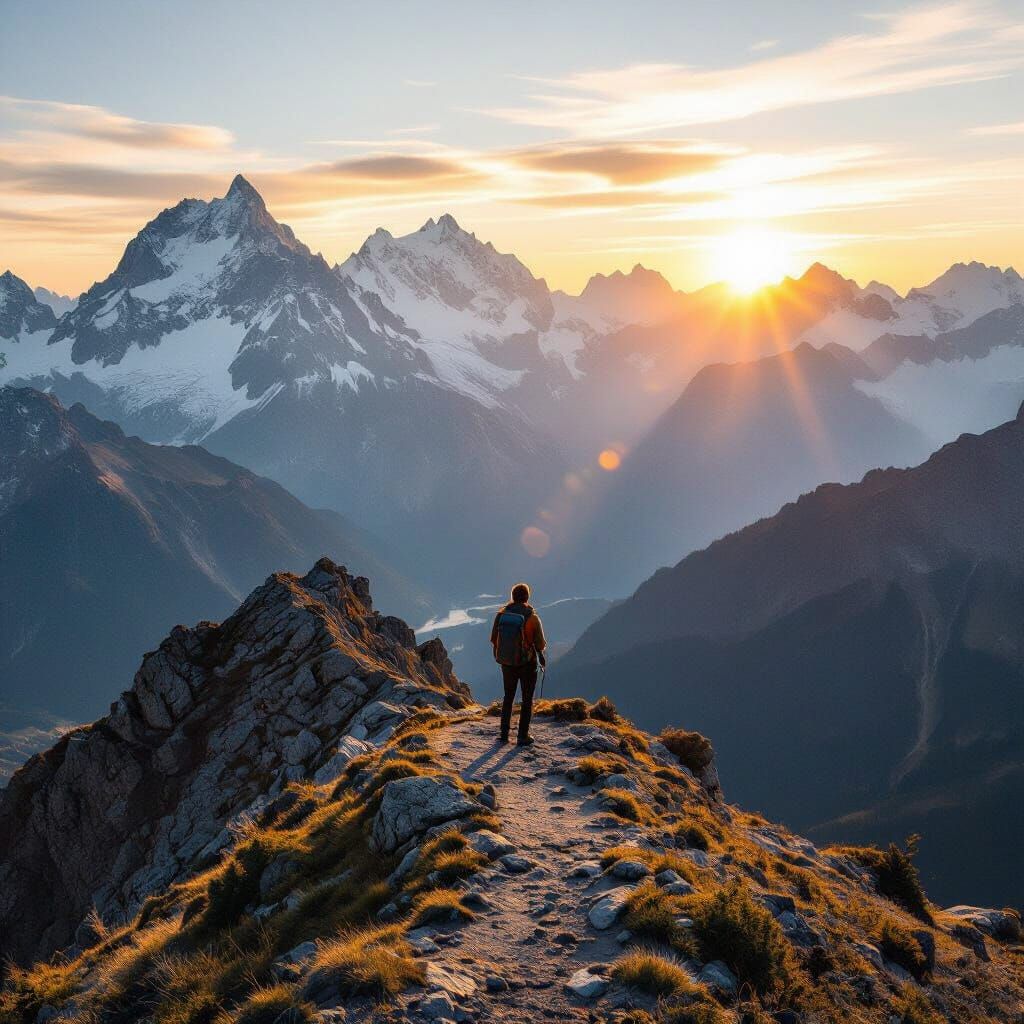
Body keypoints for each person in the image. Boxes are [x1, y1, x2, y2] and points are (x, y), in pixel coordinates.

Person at [491, 582, 547, 745]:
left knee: (508, 696)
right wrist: (539, 655)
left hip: (507, 662)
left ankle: (503, 735)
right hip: (526, 663)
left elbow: (494, 638)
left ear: (512, 597)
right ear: (527, 597)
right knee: (527, 698)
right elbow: (540, 644)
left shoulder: (501, 615)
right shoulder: (532, 617)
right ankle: (522, 736)